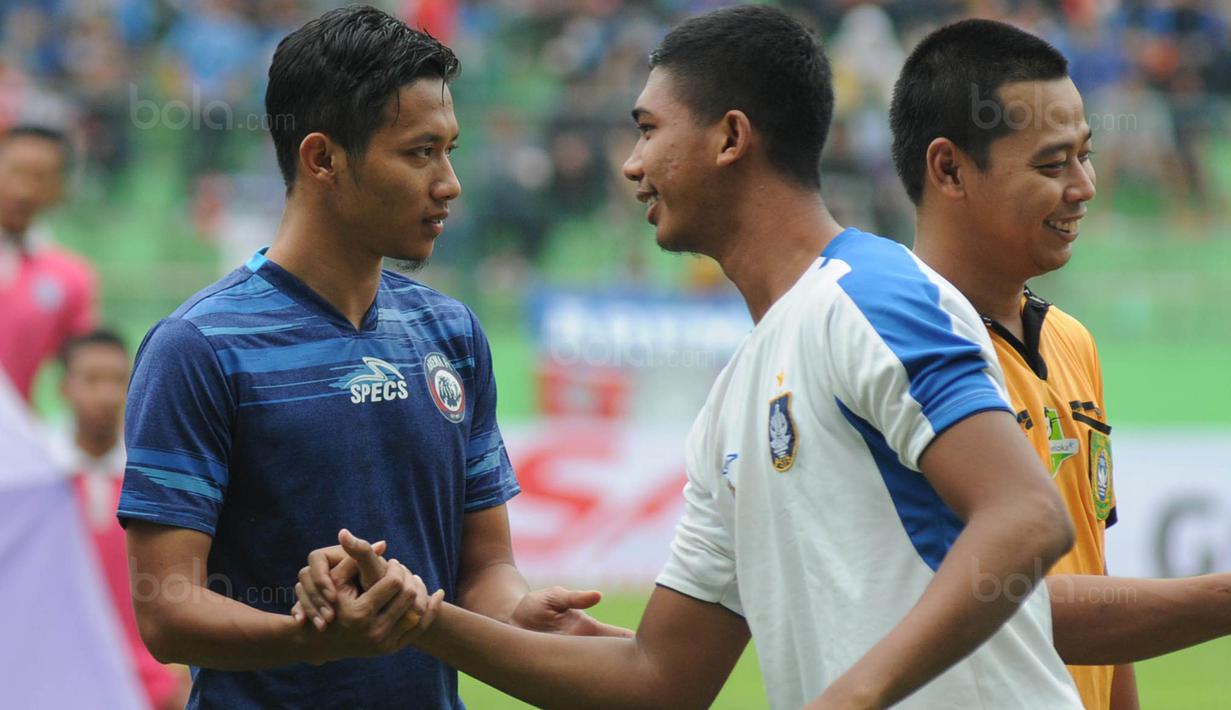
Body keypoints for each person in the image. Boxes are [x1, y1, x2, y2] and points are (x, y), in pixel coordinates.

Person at [298, 7, 1085, 708]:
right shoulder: (733, 399)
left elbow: (1024, 517)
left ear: (730, 139)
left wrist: (853, 696)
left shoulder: (869, 296)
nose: (631, 165)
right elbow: (657, 681)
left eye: (647, 130)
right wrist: (421, 620)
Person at [117, 7, 623, 709]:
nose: (449, 183)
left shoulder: (450, 333)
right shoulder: (198, 348)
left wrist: (513, 615)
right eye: (419, 152)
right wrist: (310, 635)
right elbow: (167, 611)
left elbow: (484, 568)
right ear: (322, 158)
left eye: (449, 149)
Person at [888, 20, 1126, 708]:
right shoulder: (893, 354)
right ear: (948, 169)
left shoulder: (1071, 341)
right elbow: (1016, 607)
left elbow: (1096, 575)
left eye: (1085, 156)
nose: (1082, 186)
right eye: (1051, 166)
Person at [48, 330, 190, 710]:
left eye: (117, 380)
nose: (107, 395)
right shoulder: (41, 482)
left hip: (149, 682)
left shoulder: (156, 479)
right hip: (54, 675)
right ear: (64, 387)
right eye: (92, 380)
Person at [0, 125, 97, 402]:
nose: (24, 190)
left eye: (40, 178)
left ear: (59, 188)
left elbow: (83, 371)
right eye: (15, 172)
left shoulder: (70, 277)